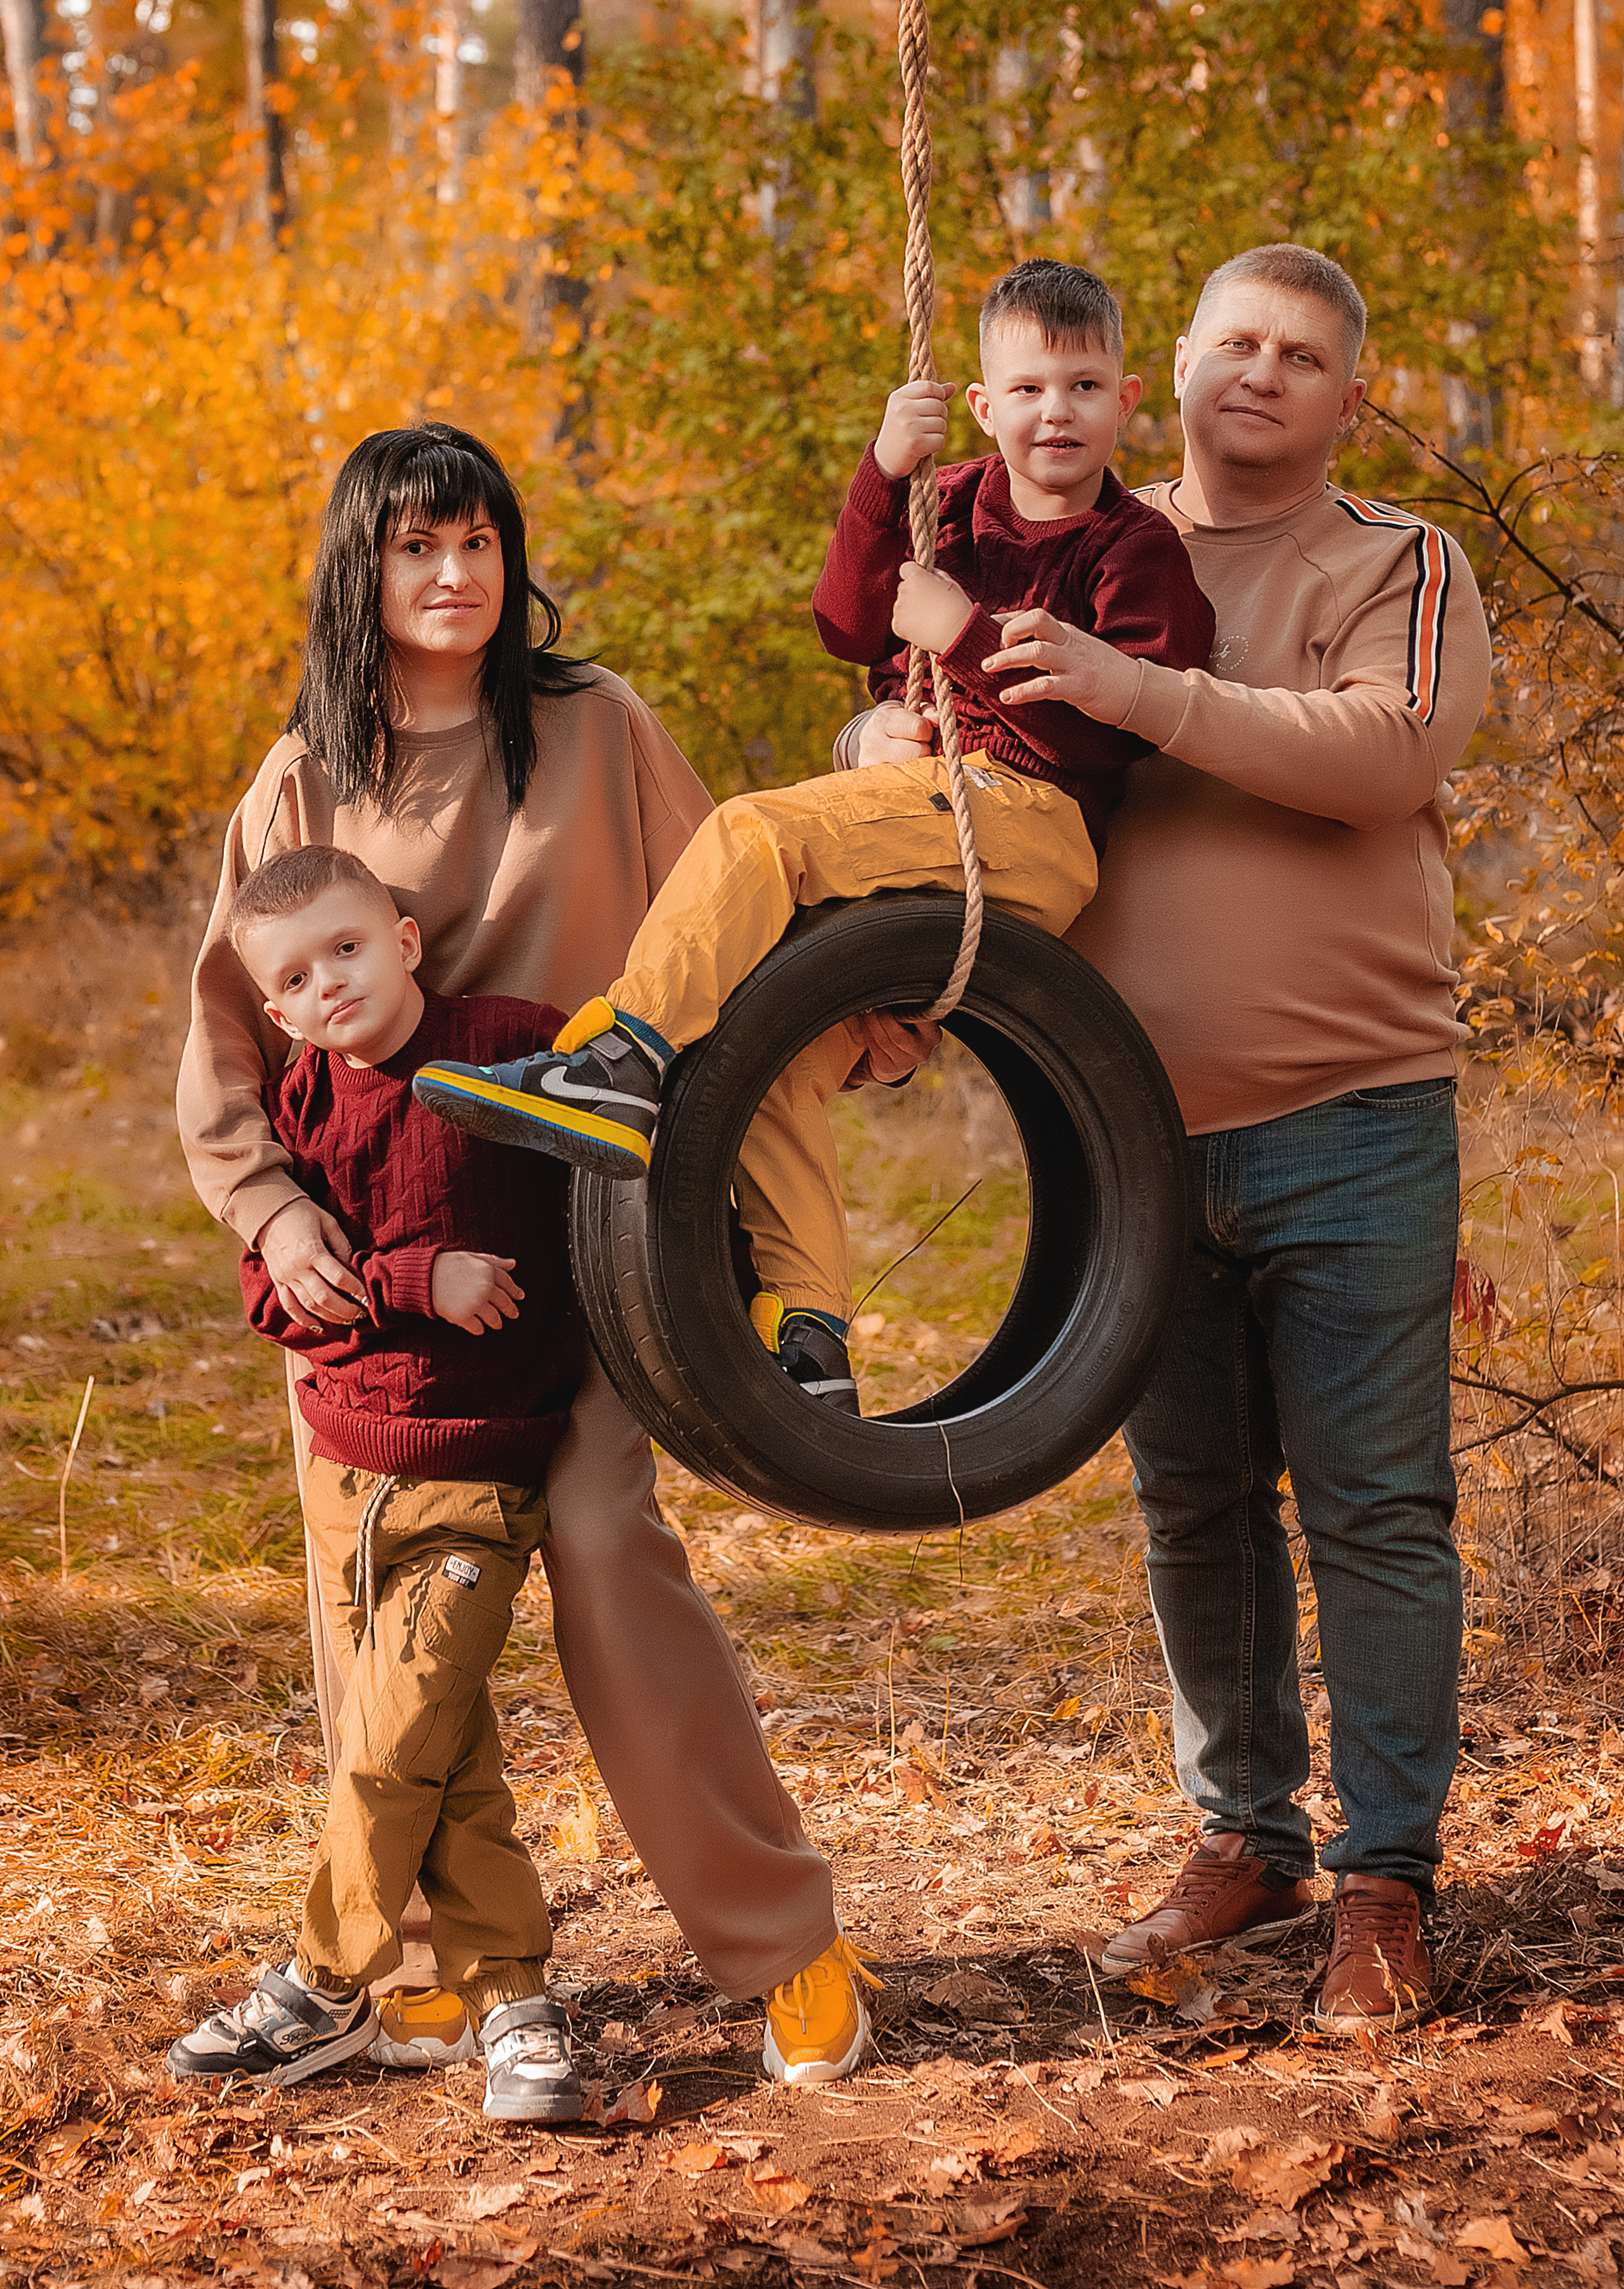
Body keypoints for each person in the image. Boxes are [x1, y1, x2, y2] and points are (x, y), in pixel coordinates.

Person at [176, 423, 880, 2090]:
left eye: (481, 539)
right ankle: (435, 1975)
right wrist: (277, 1214)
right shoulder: (300, 778)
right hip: (380, 1284)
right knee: (388, 1630)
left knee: (607, 1556)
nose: (455, 572)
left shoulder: (599, 726)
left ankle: (782, 1942)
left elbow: (742, 911)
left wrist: (889, 990)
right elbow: (220, 1040)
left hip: (588, 1246)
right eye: (419, 545)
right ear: (364, 568)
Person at [856, 243, 1491, 2031]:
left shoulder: (1398, 565)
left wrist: (1133, 694)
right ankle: (1245, 1840)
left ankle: (1386, 1880)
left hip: (1355, 1119)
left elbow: (1383, 754)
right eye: (1234, 342)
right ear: (1172, 370)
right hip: (1121, 1132)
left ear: (1346, 396)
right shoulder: (1060, 543)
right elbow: (963, 781)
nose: (1262, 374)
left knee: (1374, 1512)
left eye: (1303, 355)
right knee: (1192, 1509)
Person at [410, 260, 1215, 1417]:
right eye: (1029, 389)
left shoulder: (1133, 551)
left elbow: (1122, 731)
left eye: (1084, 387)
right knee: (778, 1062)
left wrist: (972, 637)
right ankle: (816, 1339)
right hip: (938, 814)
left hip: (1033, 824)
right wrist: (884, 477)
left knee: (752, 836)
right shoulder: (953, 506)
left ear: (1127, 399)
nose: (1057, 414)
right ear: (984, 405)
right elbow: (847, 618)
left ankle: (621, 1061)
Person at [171, 846, 592, 2115]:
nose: (328, 983)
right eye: (295, 976)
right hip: (348, 1487)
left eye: (347, 948)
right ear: (278, 1013)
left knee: (389, 1746)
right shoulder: (300, 1106)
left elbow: (634, 1126)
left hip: (477, 1476)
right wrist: (414, 1280)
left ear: (406, 939)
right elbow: (279, 1299)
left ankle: (318, 1981)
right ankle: (514, 2006)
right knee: (444, 1758)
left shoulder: (508, 1046)